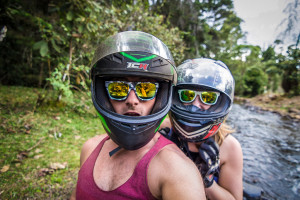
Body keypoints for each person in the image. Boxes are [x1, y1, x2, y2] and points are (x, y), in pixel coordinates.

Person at [70, 31, 206, 200]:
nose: (132, 100)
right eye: (118, 88)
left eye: (146, 89)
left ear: (160, 97)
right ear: (102, 94)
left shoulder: (177, 171)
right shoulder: (89, 148)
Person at [160, 58, 243, 200]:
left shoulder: (229, 147)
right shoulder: (165, 129)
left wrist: (207, 181)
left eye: (208, 98)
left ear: (220, 102)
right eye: (187, 95)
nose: (195, 105)